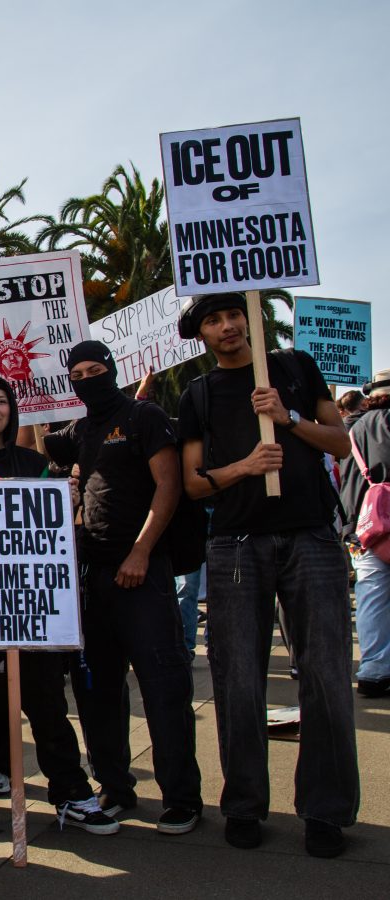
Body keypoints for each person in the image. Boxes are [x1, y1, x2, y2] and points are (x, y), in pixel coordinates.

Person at [176, 292, 357, 858]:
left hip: (312, 538)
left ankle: (326, 812)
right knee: (238, 679)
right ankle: (244, 804)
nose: (228, 325)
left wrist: (290, 418)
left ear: (252, 318)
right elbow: (194, 482)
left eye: (235, 314)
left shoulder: (297, 368)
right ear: (201, 334)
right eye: (214, 319)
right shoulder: (198, 395)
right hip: (235, 546)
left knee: (327, 674)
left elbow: (343, 443)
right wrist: (247, 466)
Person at [0, 375, 119, 841]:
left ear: (12, 409)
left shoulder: (37, 465)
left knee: (48, 707)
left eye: (0, 401)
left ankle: (72, 794)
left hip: (31, 605)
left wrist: (65, 502)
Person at [44, 340, 202, 836]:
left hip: (142, 573)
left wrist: (141, 550)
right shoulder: (78, 428)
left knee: (163, 686)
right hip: (92, 579)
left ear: (112, 370)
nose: (87, 379)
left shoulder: (144, 417)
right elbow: (32, 449)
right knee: (97, 691)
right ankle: (114, 786)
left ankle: (181, 797)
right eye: (78, 374)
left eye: (96, 370)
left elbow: (169, 485)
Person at [339, 368, 390, 698]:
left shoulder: (354, 429)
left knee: (371, 597)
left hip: (366, 524)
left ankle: (373, 668)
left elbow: (348, 478)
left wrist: (349, 525)